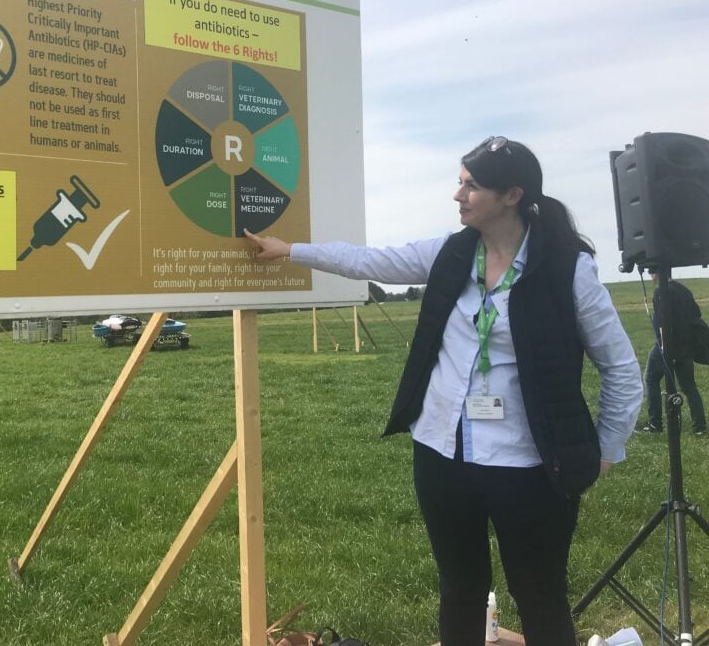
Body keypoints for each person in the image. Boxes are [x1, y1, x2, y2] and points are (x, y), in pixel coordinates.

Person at [246, 137, 643, 646]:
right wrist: (290, 251)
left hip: (531, 466)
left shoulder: (569, 269)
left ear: (512, 195)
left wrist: (607, 451)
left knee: (539, 594)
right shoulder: (450, 254)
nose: (458, 195)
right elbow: (369, 261)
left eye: (471, 185)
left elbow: (622, 369)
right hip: (442, 454)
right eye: (460, 182)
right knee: (460, 591)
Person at [640, 273, 707, 436]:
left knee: (651, 379)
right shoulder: (683, 290)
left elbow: (662, 323)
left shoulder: (661, 291)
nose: (649, 273)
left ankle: (655, 423)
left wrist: (665, 349)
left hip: (669, 345)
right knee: (689, 386)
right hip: (687, 345)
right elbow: (696, 314)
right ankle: (700, 428)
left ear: (656, 272)